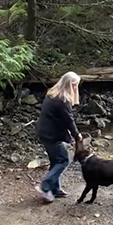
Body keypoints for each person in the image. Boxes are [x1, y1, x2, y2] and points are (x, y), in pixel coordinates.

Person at [36, 71, 82, 202]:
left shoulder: (52, 93)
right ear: (71, 85)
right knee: (63, 160)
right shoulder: (63, 100)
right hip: (52, 136)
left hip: (44, 132)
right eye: (76, 86)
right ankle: (45, 186)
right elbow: (69, 121)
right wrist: (77, 135)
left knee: (55, 161)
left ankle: (55, 189)